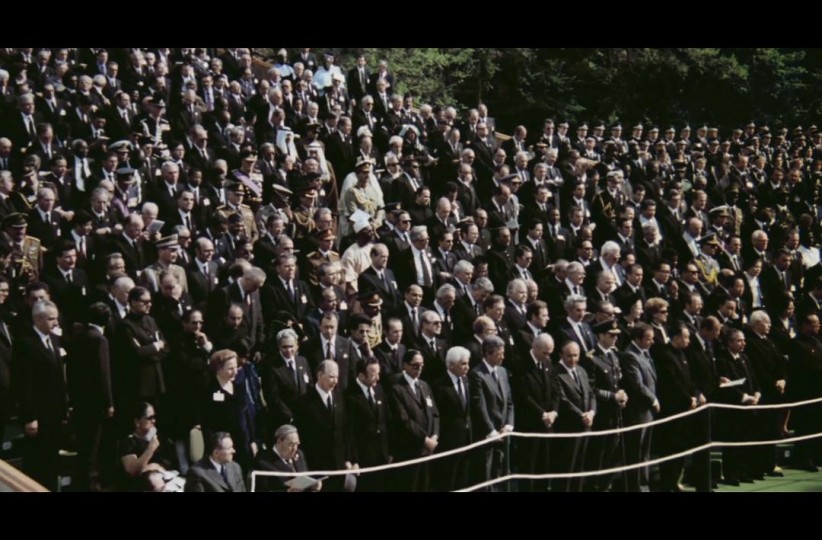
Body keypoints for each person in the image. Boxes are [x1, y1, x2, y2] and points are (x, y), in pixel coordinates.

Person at [14, 299, 67, 491]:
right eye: (51, 319)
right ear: (37, 319)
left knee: (52, 460)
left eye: (56, 318)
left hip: (54, 413)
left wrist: (64, 409)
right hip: (38, 415)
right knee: (37, 461)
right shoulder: (25, 344)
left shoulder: (54, 340)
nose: (55, 323)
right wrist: (30, 417)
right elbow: (23, 384)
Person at [386, 349, 440, 491]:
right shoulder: (397, 388)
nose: (419, 369)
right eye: (415, 365)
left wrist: (434, 436)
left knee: (425, 486)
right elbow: (404, 420)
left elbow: (435, 414)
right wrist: (424, 439)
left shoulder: (424, 385)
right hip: (409, 449)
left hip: (428, 449)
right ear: (405, 365)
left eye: (422, 365)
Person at [199, 348, 257, 472]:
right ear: (218, 369)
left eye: (236, 367)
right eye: (230, 369)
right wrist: (214, 447)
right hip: (223, 446)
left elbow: (247, 415)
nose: (235, 372)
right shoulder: (209, 390)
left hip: (242, 444)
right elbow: (206, 423)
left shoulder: (239, 386)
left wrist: (252, 440)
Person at [469, 335, 514, 491]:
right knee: (485, 478)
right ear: (488, 354)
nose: (503, 357)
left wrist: (508, 425)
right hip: (487, 436)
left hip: (503, 434)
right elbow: (479, 406)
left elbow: (509, 402)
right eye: (499, 354)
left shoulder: (503, 371)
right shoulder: (477, 374)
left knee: (501, 476)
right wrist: (491, 431)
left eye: (503, 353)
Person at [118, 401, 177, 491]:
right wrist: (150, 449)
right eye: (150, 418)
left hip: (164, 481)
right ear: (137, 422)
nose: (154, 421)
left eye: (154, 417)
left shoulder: (159, 437)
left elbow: (169, 462)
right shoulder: (128, 442)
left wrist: (152, 467)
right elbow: (132, 470)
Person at [253, 424, 322, 492]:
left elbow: (305, 478)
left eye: (297, 444)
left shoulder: (299, 454)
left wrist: (313, 486)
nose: (295, 448)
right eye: (291, 444)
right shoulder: (263, 463)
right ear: (279, 442)